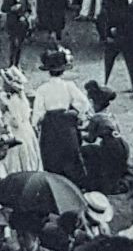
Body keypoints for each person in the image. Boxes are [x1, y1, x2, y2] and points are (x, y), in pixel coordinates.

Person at [30, 47, 89, 184]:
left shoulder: (42, 89)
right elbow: (84, 103)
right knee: (70, 152)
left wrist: (35, 125)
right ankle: (74, 185)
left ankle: (55, 185)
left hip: (50, 124)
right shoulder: (69, 86)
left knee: (51, 154)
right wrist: (77, 114)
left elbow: (38, 112)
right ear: (63, 70)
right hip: (65, 122)